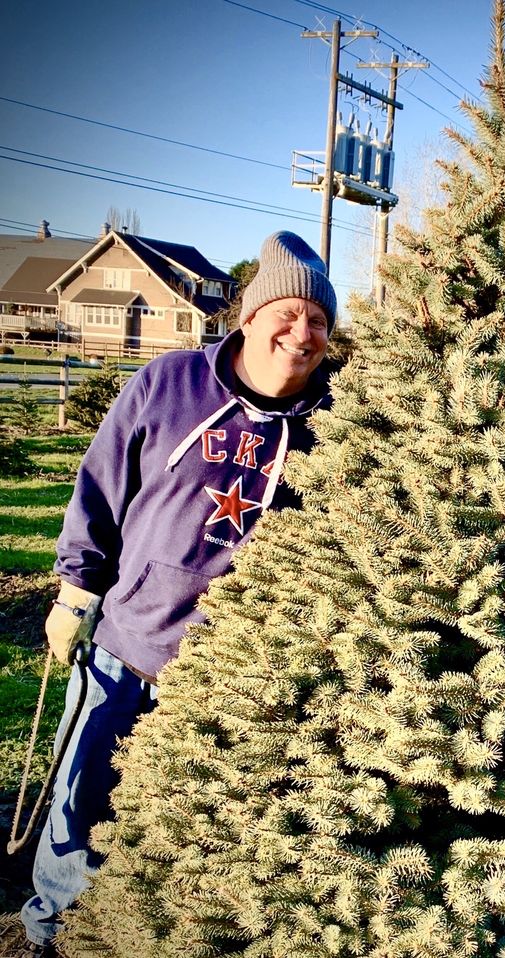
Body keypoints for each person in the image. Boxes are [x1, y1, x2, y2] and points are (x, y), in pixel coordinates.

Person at [15, 231, 339, 957]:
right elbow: (99, 488)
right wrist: (74, 592)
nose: (302, 332)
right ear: (249, 317)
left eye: (318, 321)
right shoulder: (167, 383)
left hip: (240, 674)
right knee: (83, 795)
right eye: (287, 313)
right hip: (129, 646)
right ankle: (49, 933)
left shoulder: (335, 423)